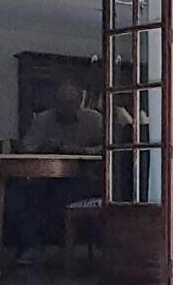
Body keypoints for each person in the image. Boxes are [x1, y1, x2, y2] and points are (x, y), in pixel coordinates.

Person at [7, 80, 103, 265]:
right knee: (17, 195)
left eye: (70, 103)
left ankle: (62, 246)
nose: (65, 108)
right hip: (46, 177)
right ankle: (31, 246)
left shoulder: (93, 119)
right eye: (61, 103)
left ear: (79, 102)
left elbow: (108, 147)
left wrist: (80, 150)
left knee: (58, 197)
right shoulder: (43, 120)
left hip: (84, 179)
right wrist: (44, 147)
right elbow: (26, 148)